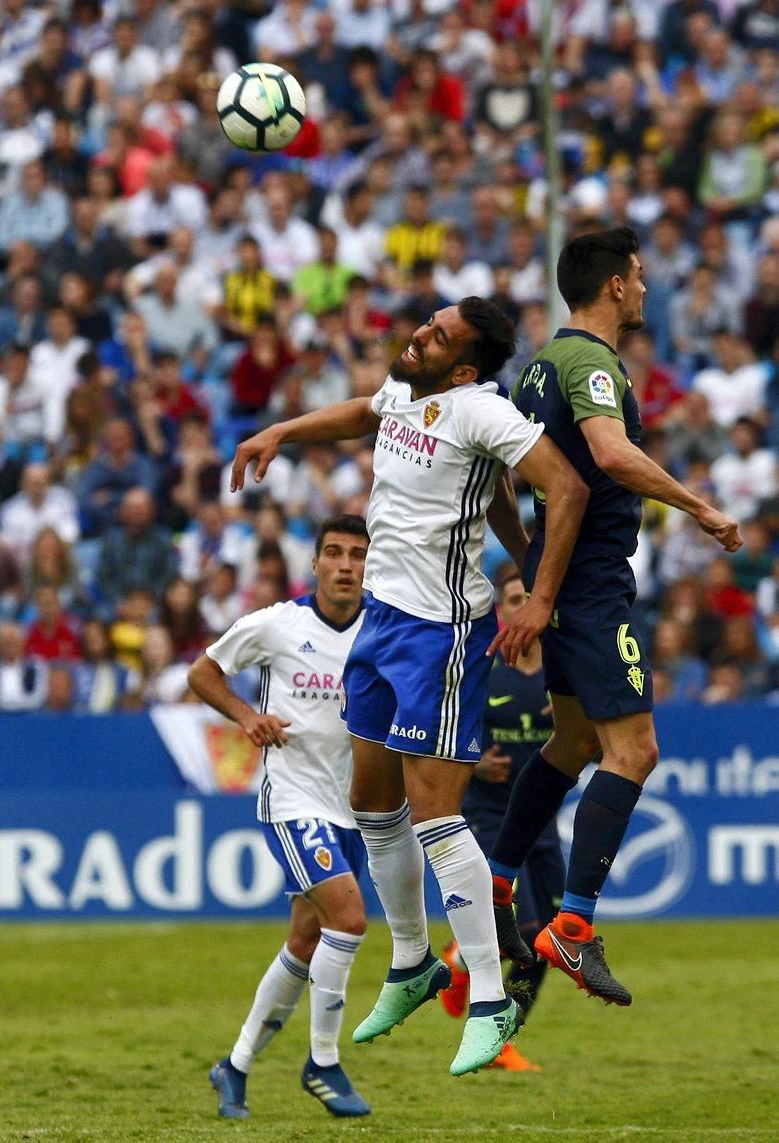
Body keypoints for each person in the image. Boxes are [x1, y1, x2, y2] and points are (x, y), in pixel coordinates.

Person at [230, 297, 589, 1076]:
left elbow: (565, 487)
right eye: (428, 321)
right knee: (372, 803)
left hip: (440, 632)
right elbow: (367, 410)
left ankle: (490, 999)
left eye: (437, 335)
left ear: (464, 367)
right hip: (382, 622)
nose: (418, 333)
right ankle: (412, 961)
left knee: (434, 815)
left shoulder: (479, 411)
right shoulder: (406, 391)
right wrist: (283, 430)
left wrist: (542, 593)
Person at [487, 228, 741, 1007]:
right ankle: (573, 924)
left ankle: (496, 882)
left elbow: (503, 477)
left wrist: (532, 568)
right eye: (636, 275)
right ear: (613, 287)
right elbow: (611, 454)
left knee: (571, 742)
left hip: (562, 580)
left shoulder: (536, 369)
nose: (643, 285)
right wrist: (698, 504)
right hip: (594, 586)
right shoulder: (587, 362)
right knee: (634, 751)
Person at [188, 515, 372, 1120]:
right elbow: (203, 671)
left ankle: (234, 1067)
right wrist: (245, 716)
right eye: (335, 554)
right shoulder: (278, 624)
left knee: (307, 937)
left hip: (353, 807)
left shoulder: (383, 629)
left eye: (358, 556)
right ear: (315, 564)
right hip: (292, 799)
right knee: (348, 918)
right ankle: (322, 1061)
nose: (346, 566)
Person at [439, 570, 563, 1073]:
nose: (526, 606)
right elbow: (444, 738)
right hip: (490, 816)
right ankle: (495, 1038)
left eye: (534, 598)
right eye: (515, 598)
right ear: (503, 612)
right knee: (529, 936)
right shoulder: (483, 670)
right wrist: (476, 766)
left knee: (554, 939)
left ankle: (462, 961)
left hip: (542, 821)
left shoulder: (562, 672)